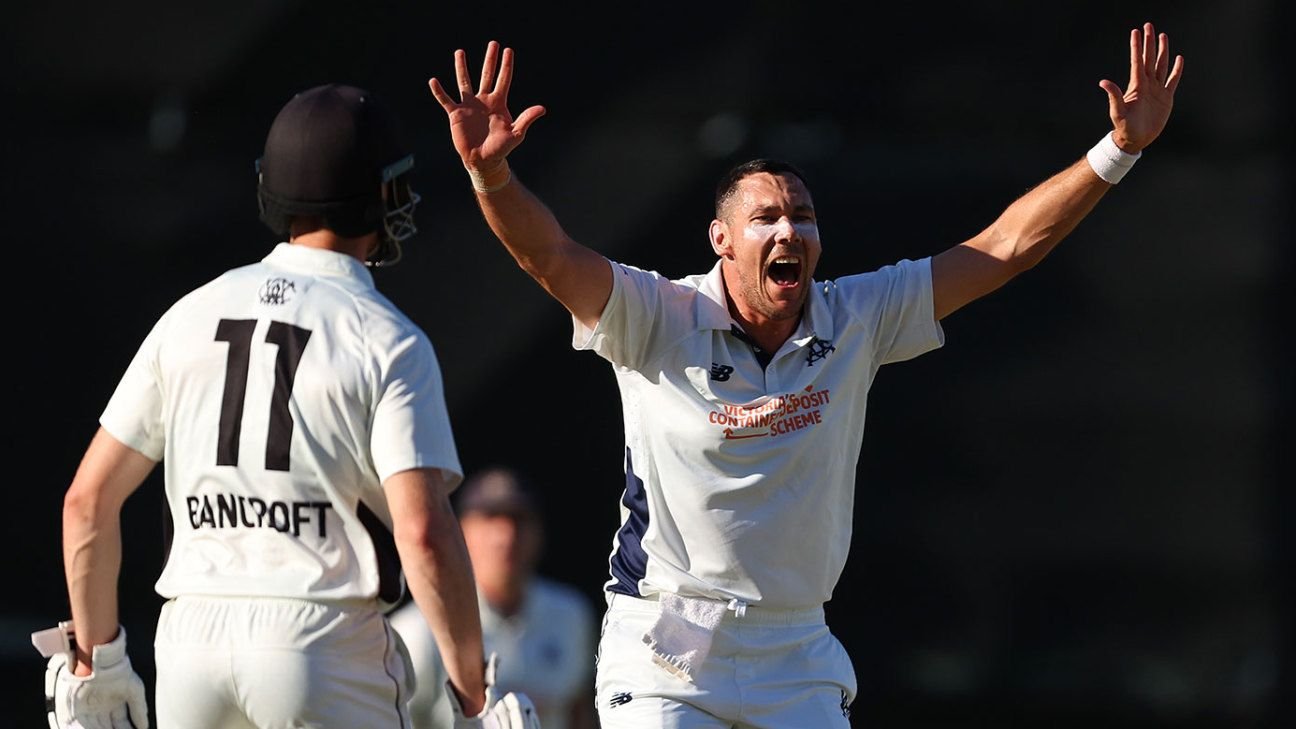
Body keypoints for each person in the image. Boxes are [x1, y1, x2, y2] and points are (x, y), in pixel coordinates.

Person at [426, 23, 1183, 728]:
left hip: (795, 650)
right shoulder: (656, 313)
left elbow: (1006, 247)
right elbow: (550, 256)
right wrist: (491, 175)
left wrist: (1119, 150)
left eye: (804, 216)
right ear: (722, 240)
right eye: (766, 218)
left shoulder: (857, 315)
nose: (789, 228)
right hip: (668, 644)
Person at [33, 83, 538, 729]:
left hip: (189, 642)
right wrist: (473, 695)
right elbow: (424, 533)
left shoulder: (189, 313)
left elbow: (86, 502)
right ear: (381, 194)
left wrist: (96, 663)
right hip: (321, 639)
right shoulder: (387, 337)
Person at [390, 466, 599, 729]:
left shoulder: (571, 614)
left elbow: (580, 711)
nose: (505, 536)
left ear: (539, 532)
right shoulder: (417, 630)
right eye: (489, 518)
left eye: (518, 519)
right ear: (460, 530)